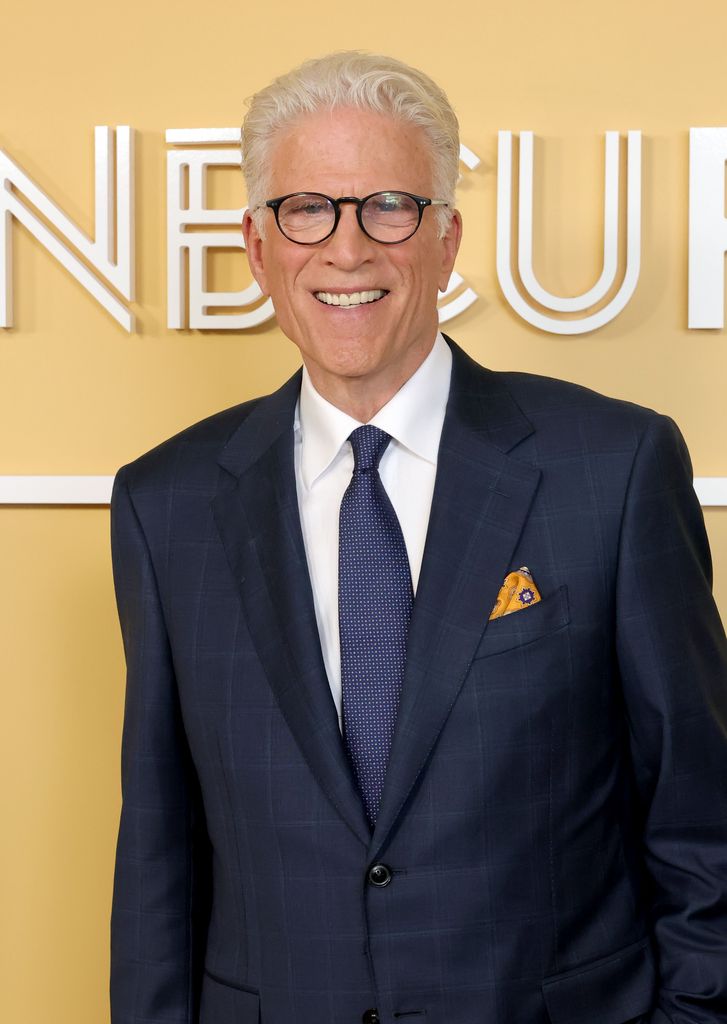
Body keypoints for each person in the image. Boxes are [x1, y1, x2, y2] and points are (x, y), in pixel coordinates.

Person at [109, 51, 727, 1024]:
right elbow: (160, 857)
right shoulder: (166, 504)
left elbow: (703, 825)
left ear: (445, 239)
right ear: (257, 245)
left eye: (387, 207)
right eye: (306, 208)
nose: (346, 250)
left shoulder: (610, 470)